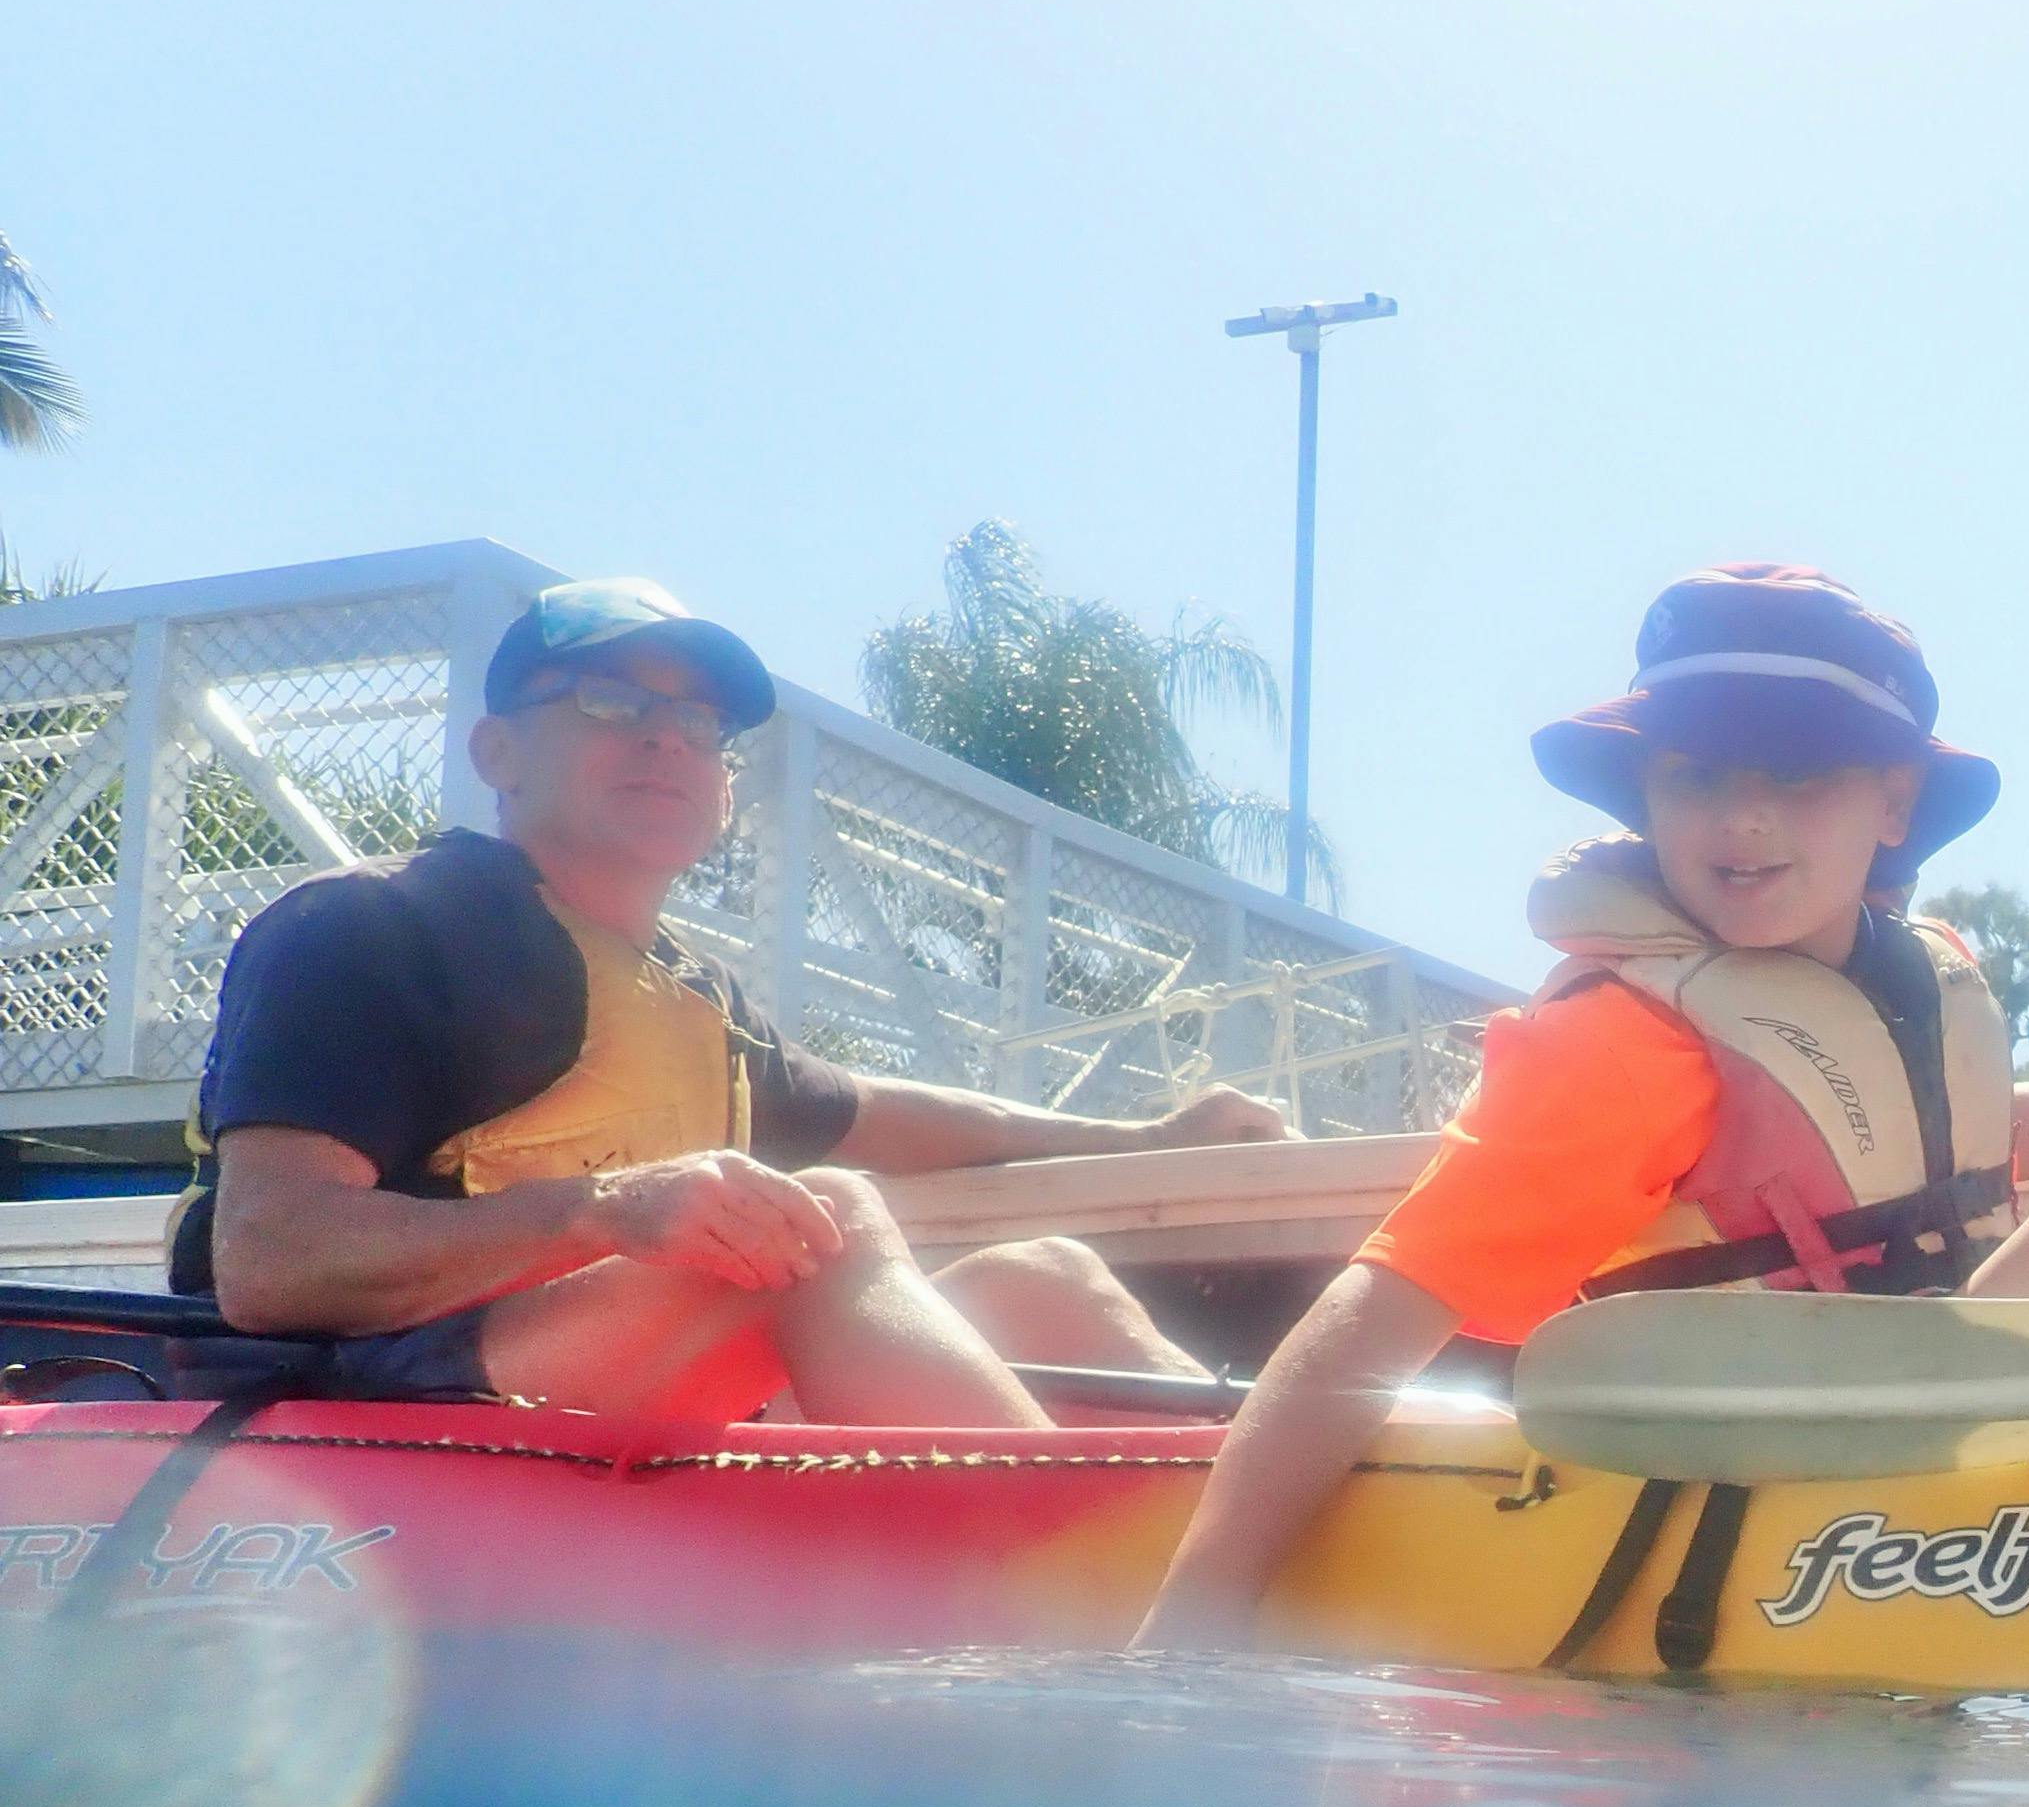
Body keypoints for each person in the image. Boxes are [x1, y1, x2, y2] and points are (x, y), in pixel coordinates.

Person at [1137, 563, 2029, 1643]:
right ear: (1643, 795)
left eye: (1799, 776)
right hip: (1791, 1489)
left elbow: (1966, 1143)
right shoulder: (1623, 1048)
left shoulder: (1908, 971)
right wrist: (1200, 1610)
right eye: (1697, 777)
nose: (1742, 818)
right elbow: (1371, 1318)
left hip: (1912, 1427)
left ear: (1894, 802)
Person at [175, 577, 1292, 1426]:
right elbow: (273, 1261)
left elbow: (898, 1117)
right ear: (497, 750)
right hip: (353, 1403)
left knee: (1040, 1277)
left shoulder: (695, 1002)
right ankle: (1102, 1589)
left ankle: (1280, 1528)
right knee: (827, 1218)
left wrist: (1147, 1134)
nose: (665, 734)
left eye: (700, 724)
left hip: (575, 1376)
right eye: (609, 699)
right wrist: (605, 1211)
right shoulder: (364, 933)